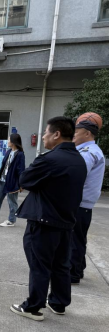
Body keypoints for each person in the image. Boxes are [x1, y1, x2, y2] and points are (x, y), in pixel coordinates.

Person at [11, 117, 87, 321]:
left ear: (57, 134)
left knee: (40, 265)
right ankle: (59, 302)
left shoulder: (50, 159)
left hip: (44, 221)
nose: (43, 136)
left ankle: (33, 306)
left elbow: (25, 179)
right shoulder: (79, 160)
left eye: (45, 132)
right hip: (66, 221)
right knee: (61, 265)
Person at [70, 113, 106, 285]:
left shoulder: (87, 153)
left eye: (76, 132)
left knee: (74, 239)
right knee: (78, 238)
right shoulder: (91, 151)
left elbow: (75, 175)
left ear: (87, 133)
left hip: (78, 203)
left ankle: (73, 274)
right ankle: (78, 268)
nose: (73, 136)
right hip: (83, 204)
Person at [0, 134, 26, 227]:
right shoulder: (8, 151)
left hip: (12, 181)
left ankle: (11, 220)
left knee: (12, 202)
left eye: (9, 140)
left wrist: (21, 184)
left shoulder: (20, 154)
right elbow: (3, 166)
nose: (7, 142)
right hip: (2, 180)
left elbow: (21, 170)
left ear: (13, 142)